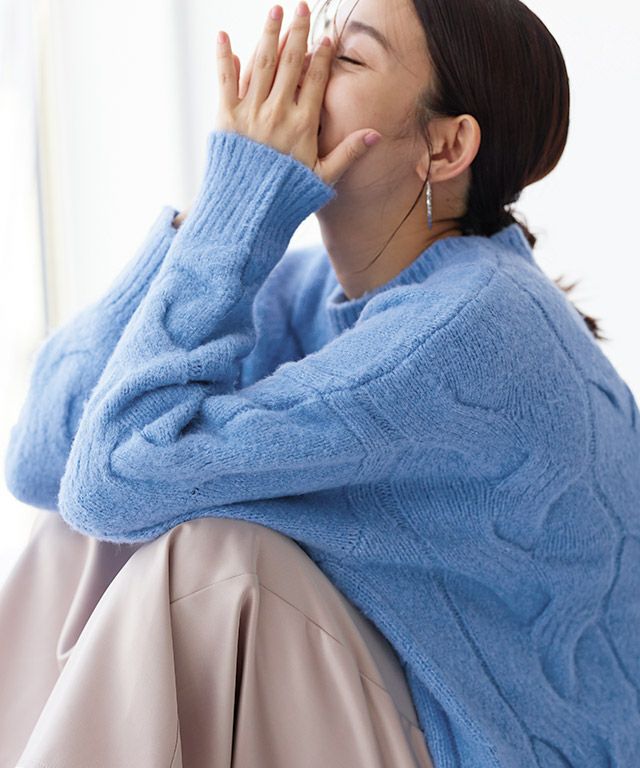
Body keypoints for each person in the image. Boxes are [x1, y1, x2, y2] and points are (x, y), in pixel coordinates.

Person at [2, 1, 638, 767]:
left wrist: (240, 207)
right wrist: (214, 214)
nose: (303, 65)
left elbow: (112, 479)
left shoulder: (473, 324)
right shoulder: (303, 290)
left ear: (445, 147)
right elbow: (44, 463)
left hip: (484, 747)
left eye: (349, 57)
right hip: (394, 712)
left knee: (214, 557)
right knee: (82, 535)